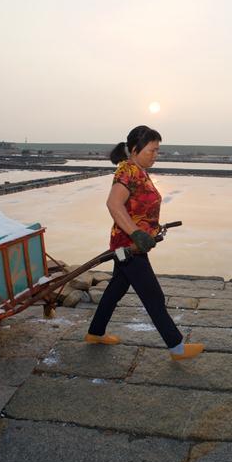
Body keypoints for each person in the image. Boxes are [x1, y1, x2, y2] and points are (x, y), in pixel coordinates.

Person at [86, 125, 204, 360]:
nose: (155, 155)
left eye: (158, 151)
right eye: (152, 150)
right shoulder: (126, 170)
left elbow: (139, 207)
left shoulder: (140, 171)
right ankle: (177, 346)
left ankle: (95, 332)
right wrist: (136, 233)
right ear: (134, 149)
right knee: (153, 296)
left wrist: (152, 227)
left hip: (133, 243)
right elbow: (113, 204)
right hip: (128, 246)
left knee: (115, 290)